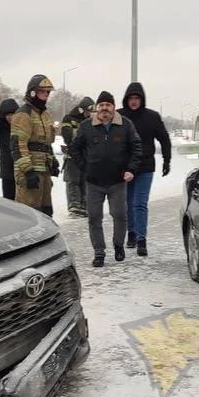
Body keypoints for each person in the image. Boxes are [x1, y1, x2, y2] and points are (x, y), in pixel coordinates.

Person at [70, 91, 140, 267]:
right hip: (93, 182)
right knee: (94, 218)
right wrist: (85, 168)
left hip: (117, 181)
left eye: (108, 105)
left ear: (113, 107)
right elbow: (74, 149)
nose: (104, 108)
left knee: (119, 215)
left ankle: (118, 245)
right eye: (101, 105)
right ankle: (99, 252)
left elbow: (136, 147)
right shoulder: (86, 126)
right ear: (97, 108)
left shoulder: (125, 125)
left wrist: (131, 169)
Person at [118, 82, 172, 257]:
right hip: (125, 168)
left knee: (139, 203)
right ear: (126, 99)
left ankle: (142, 239)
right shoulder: (119, 116)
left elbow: (164, 138)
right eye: (131, 98)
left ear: (142, 100)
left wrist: (167, 159)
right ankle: (131, 233)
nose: (134, 102)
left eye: (137, 98)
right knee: (128, 203)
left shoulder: (152, 117)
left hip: (146, 165)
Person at [10, 74, 59, 216]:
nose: (46, 94)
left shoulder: (45, 115)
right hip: (29, 173)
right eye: (42, 91)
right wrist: (28, 171)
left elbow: (46, 143)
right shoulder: (23, 114)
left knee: (45, 212)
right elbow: (18, 145)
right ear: (32, 92)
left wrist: (52, 160)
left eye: (47, 92)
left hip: (43, 171)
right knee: (29, 214)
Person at [60, 96, 94, 217]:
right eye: (87, 111)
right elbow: (67, 136)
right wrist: (84, 133)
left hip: (86, 157)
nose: (88, 114)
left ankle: (84, 205)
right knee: (73, 181)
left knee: (84, 182)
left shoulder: (91, 121)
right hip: (72, 158)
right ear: (81, 109)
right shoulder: (68, 119)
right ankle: (74, 206)